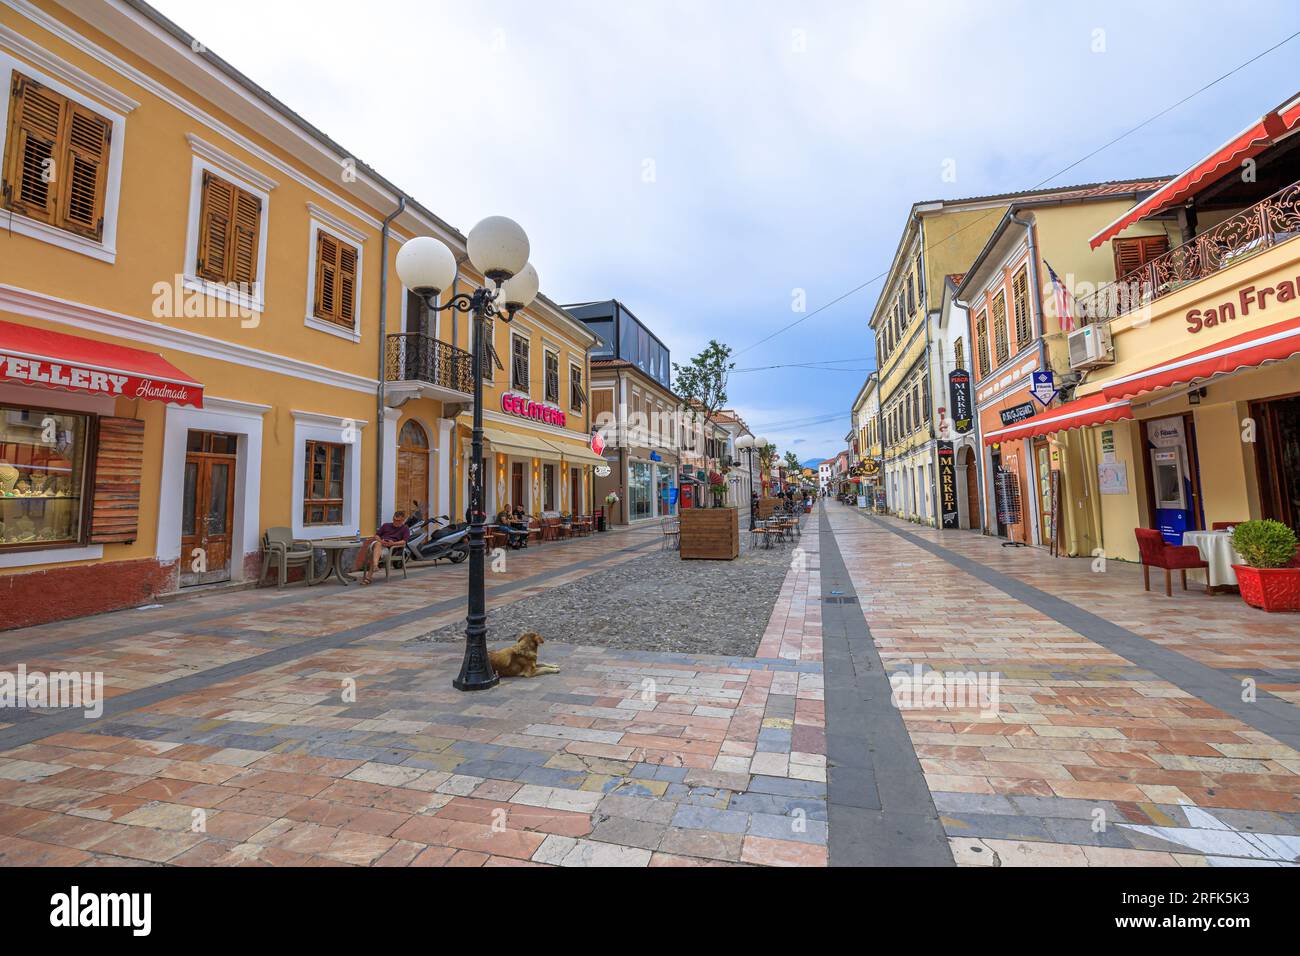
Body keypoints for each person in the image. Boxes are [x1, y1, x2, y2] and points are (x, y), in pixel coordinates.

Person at [353, 510, 411, 585]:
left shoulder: (405, 529)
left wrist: (393, 543)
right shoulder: (386, 525)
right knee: (377, 544)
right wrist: (381, 541)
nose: (395, 522)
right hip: (378, 543)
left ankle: (370, 575)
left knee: (375, 553)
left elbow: (404, 542)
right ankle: (375, 566)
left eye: (398, 520)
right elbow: (377, 535)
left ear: (403, 520)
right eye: (394, 519)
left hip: (389, 548)